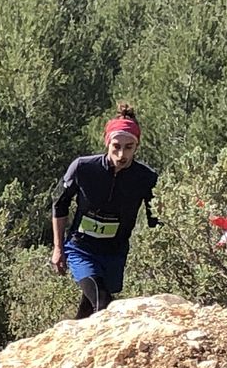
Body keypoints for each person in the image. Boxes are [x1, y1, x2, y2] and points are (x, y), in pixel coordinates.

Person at [50, 102, 160, 318]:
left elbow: (156, 218)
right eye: (116, 146)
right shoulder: (83, 167)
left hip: (115, 253)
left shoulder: (146, 178)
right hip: (82, 249)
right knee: (104, 303)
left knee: (90, 307)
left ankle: (74, 345)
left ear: (136, 147)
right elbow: (59, 204)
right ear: (107, 142)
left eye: (129, 147)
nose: (121, 154)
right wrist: (58, 248)